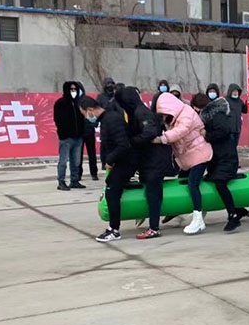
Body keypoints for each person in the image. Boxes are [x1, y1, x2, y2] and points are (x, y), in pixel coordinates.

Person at [114, 86, 173, 240]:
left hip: (155, 161)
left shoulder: (142, 113)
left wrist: (132, 142)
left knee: (154, 194)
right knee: (150, 193)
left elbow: (150, 133)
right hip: (148, 161)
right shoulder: (135, 112)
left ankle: (154, 228)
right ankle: (152, 225)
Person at [155, 91, 213, 235]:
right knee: (181, 181)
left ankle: (198, 219)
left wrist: (161, 139)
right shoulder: (173, 119)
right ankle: (180, 210)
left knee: (193, 183)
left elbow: (181, 131)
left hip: (200, 154)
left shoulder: (187, 114)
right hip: (190, 157)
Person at [80, 96, 132, 242]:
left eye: (85, 114)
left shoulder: (111, 119)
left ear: (90, 110)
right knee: (111, 189)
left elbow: (123, 144)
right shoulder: (107, 119)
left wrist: (110, 160)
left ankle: (114, 230)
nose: (86, 117)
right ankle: (113, 227)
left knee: (112, 191)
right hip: (120, 161)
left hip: (125, 161)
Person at [200, 93, 247, 232]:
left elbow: (224, 131)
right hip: (219, 158)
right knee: (211, 179)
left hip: (227, 158)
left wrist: (207, 135)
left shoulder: (217, 116)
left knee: (220, 183)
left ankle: (233, 215)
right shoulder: (209, 117)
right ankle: (238, 209)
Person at [53, 81, 86, 191]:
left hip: (78, 137)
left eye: (75, 89)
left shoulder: (79, 103)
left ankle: (74, 180)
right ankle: (61, 181)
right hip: (66, 138)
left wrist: (82, 132)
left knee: (76, 161)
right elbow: (57, 120)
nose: (73, 91)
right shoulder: (60, 103)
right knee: (63, 161)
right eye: (71, 89)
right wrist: (63, 133)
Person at [76, 81, 98, 182]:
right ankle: (78, 174)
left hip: (88, 131)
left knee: (91, 154)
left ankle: (93, 173)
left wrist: (93, 124)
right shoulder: (73, 102)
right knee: (78, 155)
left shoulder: (88, 100)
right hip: (79, 132)